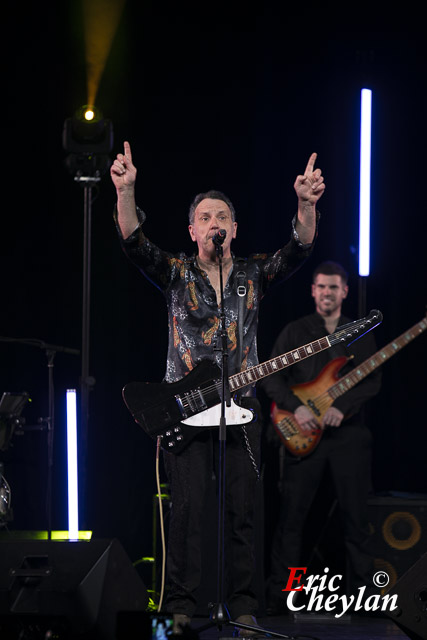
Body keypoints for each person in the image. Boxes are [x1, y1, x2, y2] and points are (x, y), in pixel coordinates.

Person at [110, 141, 325, 635]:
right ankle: (181, 609)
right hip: (184, 408)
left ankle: (243, 606)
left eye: (221, 215)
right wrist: (125, 191)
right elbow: (133, 244)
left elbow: (299, 250)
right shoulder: (176, 272)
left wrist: (306, 206)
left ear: (233, 228)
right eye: (204, 216)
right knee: (185, 512)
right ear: (192, 230)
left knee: (242, 512)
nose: (213, 222)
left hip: (242, 409)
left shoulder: (252, 273)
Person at [260, 261, 382, 614]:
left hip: (348, 435)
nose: (327, 293)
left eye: (333, 287)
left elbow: (373, 381)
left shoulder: (359, 332)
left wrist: (342, 407)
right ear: (312, 290)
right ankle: (281, 600)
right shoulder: (295, 331)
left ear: (344, 291)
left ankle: (364, 604)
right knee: (291, 521)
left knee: (356, 520)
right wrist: (293, 406)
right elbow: (270, 378)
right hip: (301, 433)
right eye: (321, 287)